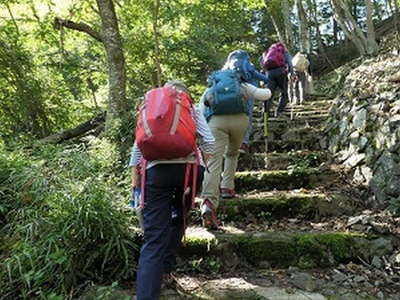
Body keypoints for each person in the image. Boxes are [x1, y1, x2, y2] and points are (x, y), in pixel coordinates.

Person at [131, 80, 215, 300]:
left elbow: (137, 150)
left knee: (153, 237)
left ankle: (146, 295)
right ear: (184, 94)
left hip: (155, 174)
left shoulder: (147, 108)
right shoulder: (190, 108)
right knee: (178, 216)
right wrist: (201, 161)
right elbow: (210, 143)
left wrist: (135, 182)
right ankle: (167, 268)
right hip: (188, 171)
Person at [199, 55, 272, 229]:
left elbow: (201, 108)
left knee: (214, 161)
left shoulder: (213, 86)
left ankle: (208, 202)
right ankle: (227, 187)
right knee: (232, 153)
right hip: (240, 122)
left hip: (216, 123)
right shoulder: (242, 84)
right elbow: (265, 95)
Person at [221, 50, 270, 154]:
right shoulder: (249, 66)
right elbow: (265, 79)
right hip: (248, 94)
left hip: (231, 95)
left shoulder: (226, 68)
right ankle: (243, 143)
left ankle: (229, 143)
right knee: (248, 117)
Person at [260, 42, 294, 118]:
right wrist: (291, 73)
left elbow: (262, 63)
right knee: (284, 93)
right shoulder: (283, 51)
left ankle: (265, 113)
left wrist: (263, 74)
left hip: (269, 73)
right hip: (281, 72)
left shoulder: (268, 52)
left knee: (269, 93)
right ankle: (279, 112)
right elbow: (290, 63)